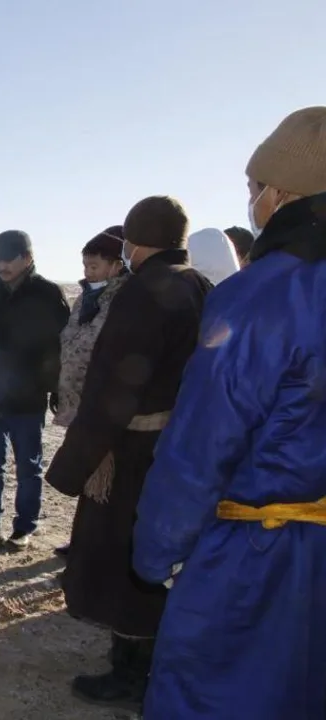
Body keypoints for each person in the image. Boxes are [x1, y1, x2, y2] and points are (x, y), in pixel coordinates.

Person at [133, 106, 326, 719]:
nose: (252, 201)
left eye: (253, 188)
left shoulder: (263, 295)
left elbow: (205, 441)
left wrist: (158, 548)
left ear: (282, 193)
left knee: (217, 693)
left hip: (258, 548)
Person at [44, 195, 212, 712]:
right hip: (178, 446)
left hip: (133, 451)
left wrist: (76, 464)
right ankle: (153, 663)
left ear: (135, 244)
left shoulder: (144, 292)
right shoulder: (198, 285)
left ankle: (131, 675)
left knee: (126, 558)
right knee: (160, 553)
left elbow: (114, 386)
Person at [0, 230, 70, 550]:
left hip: (27, 400)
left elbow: (62, 347)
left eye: (9, 259)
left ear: (27, 258)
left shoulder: (48, 294)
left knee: (28, 466)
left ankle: (25, 527)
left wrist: (52, 388)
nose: (2, 266)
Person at [50, 226, 128, 558]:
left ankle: (92, 545)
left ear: (116, 265)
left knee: (103, 479)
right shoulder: (86, 297)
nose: (88, 272)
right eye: (85, 266)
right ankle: (80, 538)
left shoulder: (124, 299)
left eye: (95, 266)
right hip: (76, 401)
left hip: (100, 406)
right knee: (84, 474)